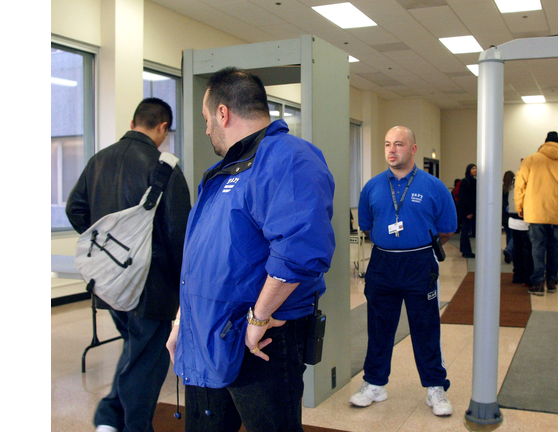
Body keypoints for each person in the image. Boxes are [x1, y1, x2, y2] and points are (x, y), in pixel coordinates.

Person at [165, 67, 335, 432]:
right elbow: (201, 257)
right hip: (208, 335)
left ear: (223, 113)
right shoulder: (222, 171)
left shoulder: (289, 157)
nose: (207, 128)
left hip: (261, 337)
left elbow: (300, 252)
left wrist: (258, 318)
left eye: (207, 119)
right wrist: (183, 320)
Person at [66, 98, 191, 432]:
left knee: (135, 349)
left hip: (109, 283)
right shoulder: (163, 167)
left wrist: (106, 247)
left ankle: (108, 419)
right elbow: (179, 232)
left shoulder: (98, 160)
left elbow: (75, 209)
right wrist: (185, 288)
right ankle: (132, 426)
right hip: (151, 288)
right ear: (163, 127)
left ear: (135, 122)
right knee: (146, 363)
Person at [352, 126, 457, 416]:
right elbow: (367, 226)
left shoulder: (433, 186)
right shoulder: (372, 186)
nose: (391, 150)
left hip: (419, 264)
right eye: (387, 144)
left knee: (425, 328)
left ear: (413, 149)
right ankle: (374, 384)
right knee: (379, 327)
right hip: (383, 263)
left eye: (398, 144)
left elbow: (447, 228)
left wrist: (416, 242)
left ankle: (435, 387)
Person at [514, 131, 558, 296]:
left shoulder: (532, 159)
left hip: (536, 210)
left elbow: (520, 185)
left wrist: (519, 206)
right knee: (555, 247)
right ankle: (552, 281)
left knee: (538, 246)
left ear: (545, 142)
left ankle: (538, 283)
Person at [457, 163, 477, 258]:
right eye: (473, 168)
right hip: (466, 210)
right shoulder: (466, 181)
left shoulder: (474, 181)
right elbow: (464, 197)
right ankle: (466, 251)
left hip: (470, 209)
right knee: (465, 230)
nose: (475, 170)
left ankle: (465, 249)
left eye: (476, 168)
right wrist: (469, 212)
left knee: (466, 230)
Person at [502, 171, 515, 264]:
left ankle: (508, 252)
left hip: (504, 216)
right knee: (514, 235)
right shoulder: (513, 189)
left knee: (508, 235)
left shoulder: (502, 188)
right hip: (512, 214)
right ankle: (509, 250)